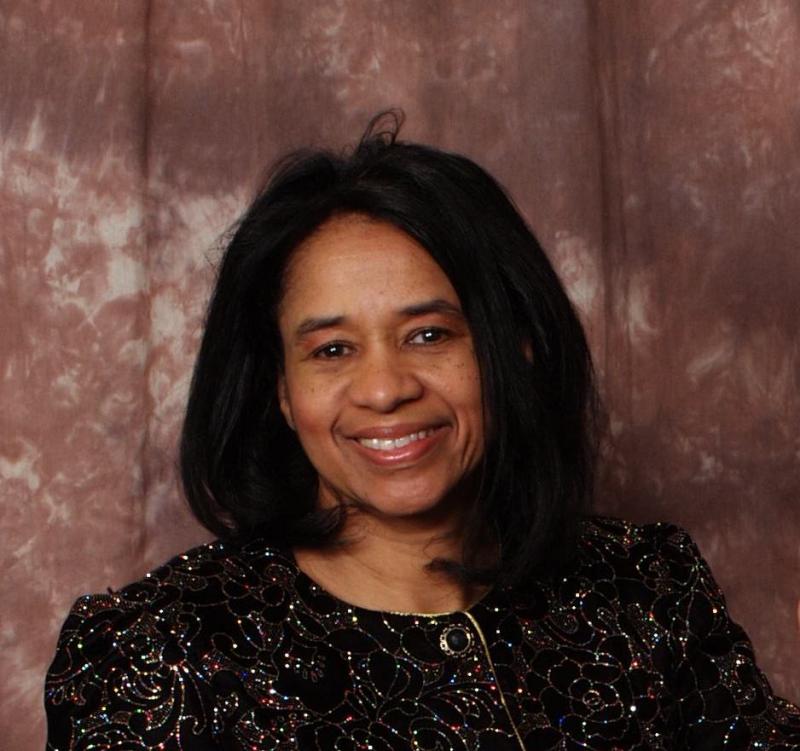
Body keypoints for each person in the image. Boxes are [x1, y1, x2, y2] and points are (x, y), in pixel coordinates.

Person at [44, 113, 800, 750]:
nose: (385, 389)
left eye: (429, 335)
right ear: (280, 390)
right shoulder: (158, 651)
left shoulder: (649, 590)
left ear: (515, 347)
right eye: (332, 350)